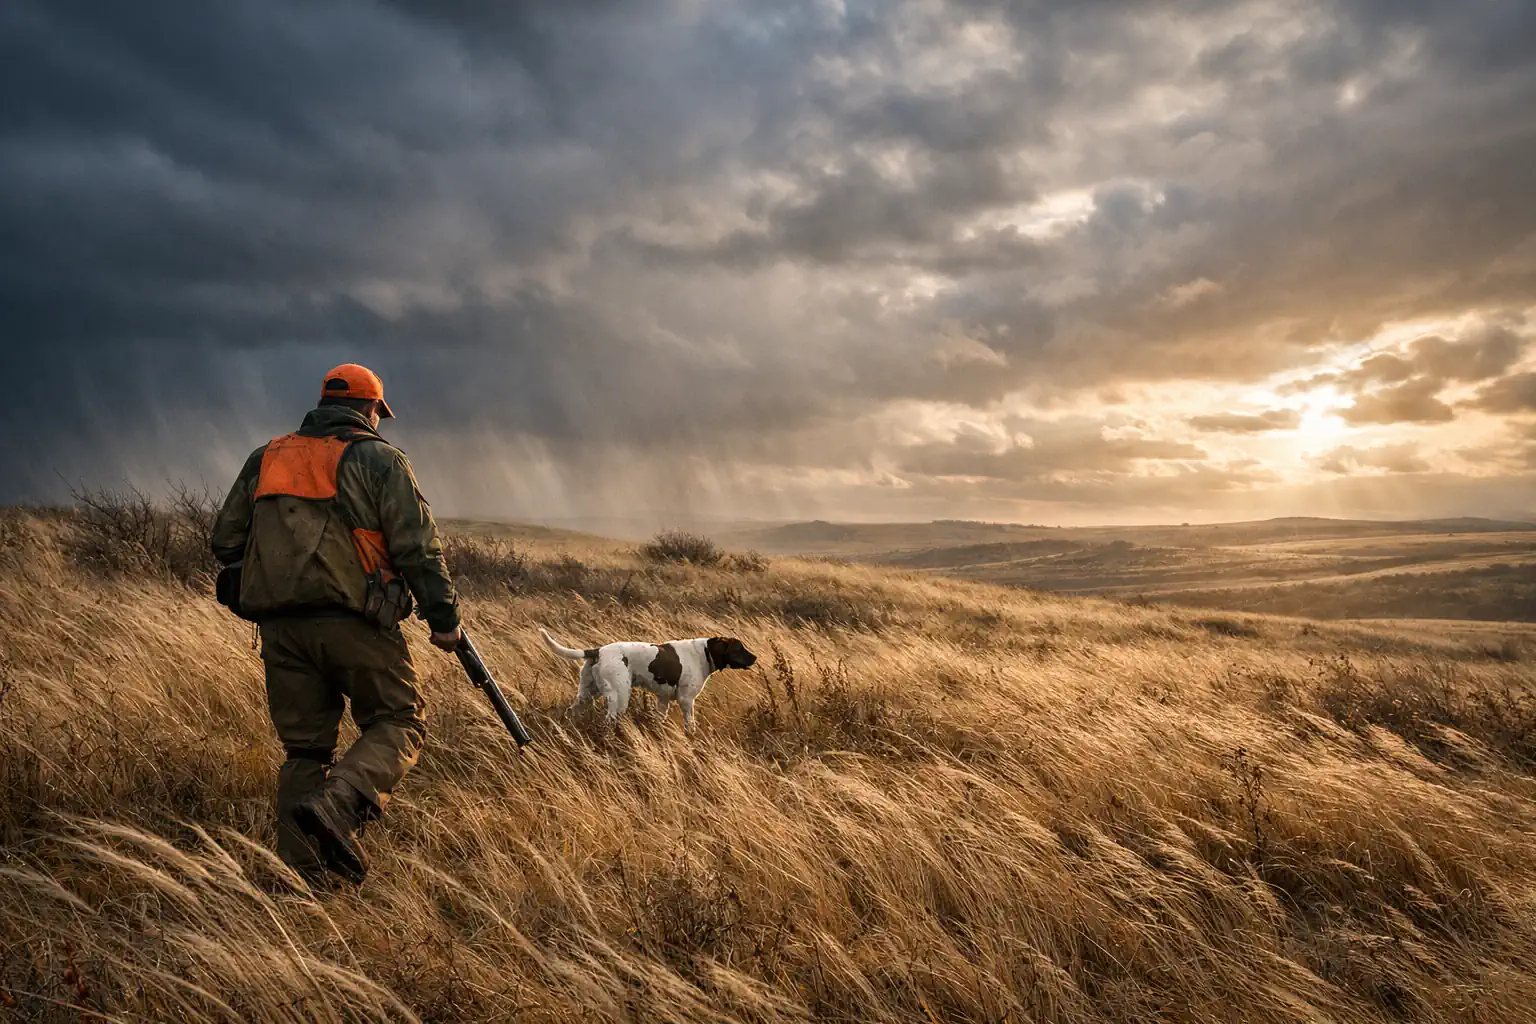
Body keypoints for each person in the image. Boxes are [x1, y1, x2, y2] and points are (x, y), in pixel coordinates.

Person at [210, 363, 461, 885]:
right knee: (400, 718)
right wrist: (444, 620)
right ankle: (340, 804)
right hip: (356, 623)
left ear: (322, 405)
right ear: (372, 410)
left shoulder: (267, 457)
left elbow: (225, 541)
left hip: (280, 629)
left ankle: (303, 883)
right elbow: (418, 548)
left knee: (305, 749)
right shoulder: (380, 460)